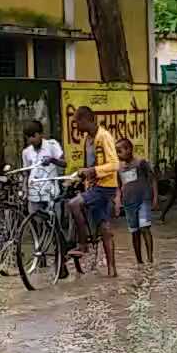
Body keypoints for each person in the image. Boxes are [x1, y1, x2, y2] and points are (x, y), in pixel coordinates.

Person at [72, 106, 121, 277]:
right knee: (104, 227)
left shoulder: (104, 136)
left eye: (77, 122)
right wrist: (82, 176)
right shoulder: (88, 140)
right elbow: (88, 165)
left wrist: (93, 171)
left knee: (74, 204)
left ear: (85, 120)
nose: (76, 127)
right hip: (93, 187)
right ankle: (112, 271)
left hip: (105, 186)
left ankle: (83, 244)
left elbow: (115, 164)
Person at [116, 136, 156, 267]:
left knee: (145, 228)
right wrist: (118, 202)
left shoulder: (141, 163)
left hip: (144, 200)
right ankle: (139, 261)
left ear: (129, 149)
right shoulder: (119, 169)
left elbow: (152, 179)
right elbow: (119, 187)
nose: (119, 154)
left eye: (120, 151)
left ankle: (150, 260)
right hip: (129, 204)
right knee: (134, 232)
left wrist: (155, 197)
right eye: (117, 151)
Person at [19, 120, 64, 215]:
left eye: (34, 136)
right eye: (29, 138)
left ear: (41, 134)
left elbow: (64, 163)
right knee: (36, 223)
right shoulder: (26, 152)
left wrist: (52, 160)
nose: (32, 140)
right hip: (34, 194)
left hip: (51, 193)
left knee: (53, 224)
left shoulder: (52, 145)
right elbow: (26, 173)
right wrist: (25, 189)